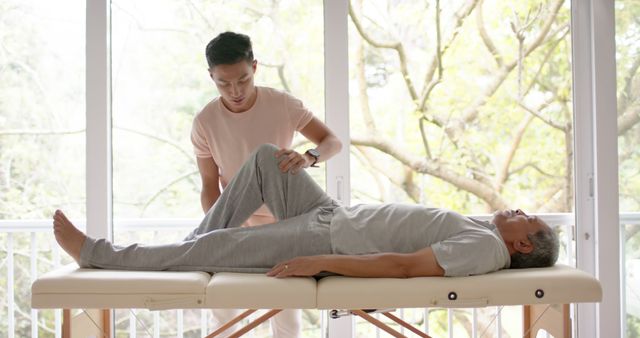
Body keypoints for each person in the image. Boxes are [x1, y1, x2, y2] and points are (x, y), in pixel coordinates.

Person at [54, 144, 559, 282]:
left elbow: (403, 267)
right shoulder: (486, 229)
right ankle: (193, 252)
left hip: (326, 242)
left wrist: (321, 262)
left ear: (521, 246)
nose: (518, 208)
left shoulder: (485, 249)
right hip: (329, 213)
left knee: (210, 247)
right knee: (266, 158)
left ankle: (98, 254)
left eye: (527, 218)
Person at [191, 31, 341, 336]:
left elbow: (332, 141)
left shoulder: (282, 104)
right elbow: (209, 185)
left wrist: (310, 157)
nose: (235, 91)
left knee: (286, 317)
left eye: (243, 80)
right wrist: (217, 231)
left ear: (255, 67)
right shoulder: (205, 121)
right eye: (224, 83)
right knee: (223, 312)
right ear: (211, 76)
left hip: (286, 224)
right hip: (235, 225)